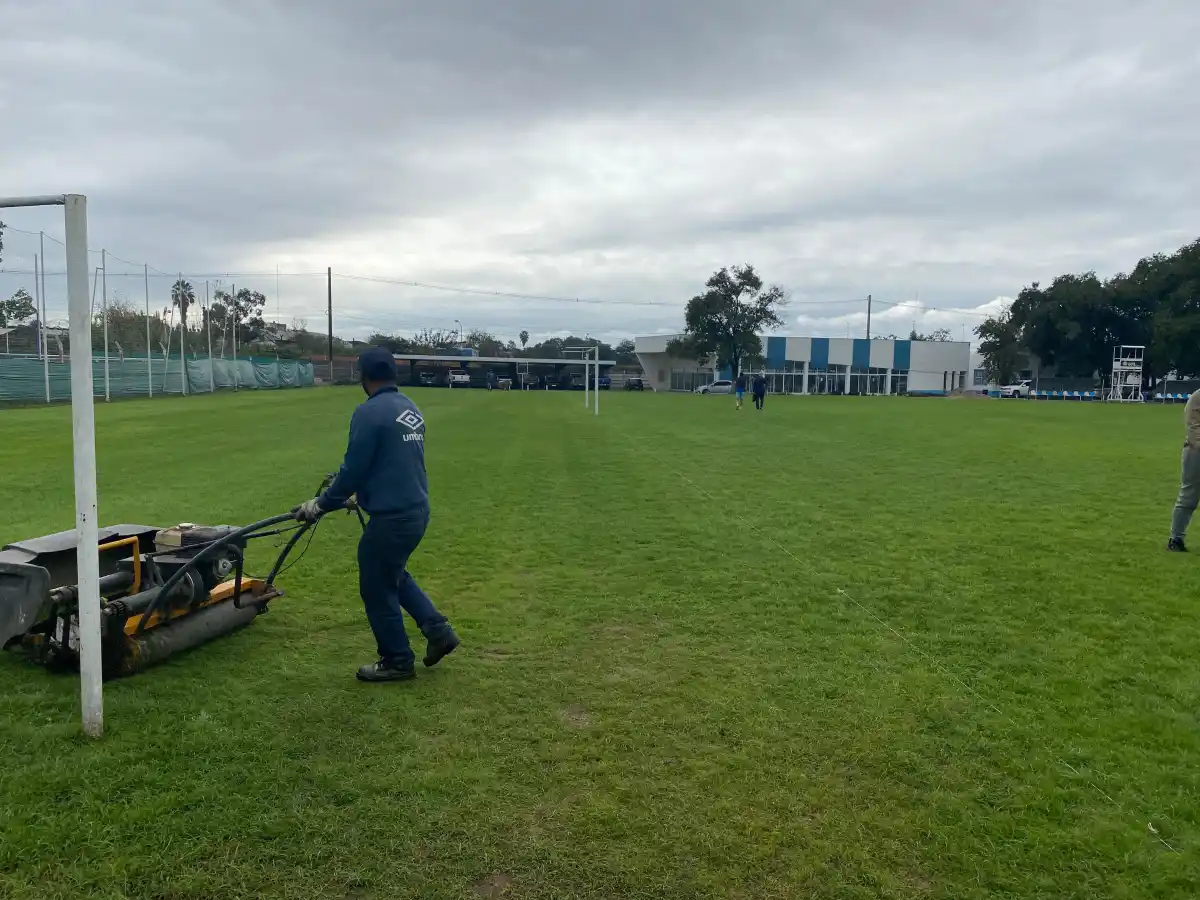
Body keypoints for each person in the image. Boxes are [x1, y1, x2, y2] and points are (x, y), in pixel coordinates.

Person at [294, 347, 459, 681]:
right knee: (393, 574)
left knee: (376, 584)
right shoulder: (409, 408)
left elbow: (354, 468)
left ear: (363, 377)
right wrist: (363, 494)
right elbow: (392, 463)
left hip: (393, 518)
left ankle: (397, 660)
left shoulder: (369, 412)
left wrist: (321, 504)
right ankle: (438, 631)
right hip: (415, 510)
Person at [1168, 388, 1200, 552]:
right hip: (1196, 453)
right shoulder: (1197, 397)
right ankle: (1176, 538)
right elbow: (1194, 427)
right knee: (1188, 497)